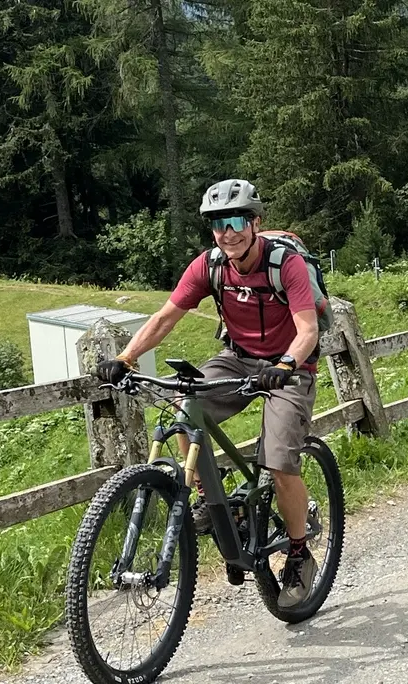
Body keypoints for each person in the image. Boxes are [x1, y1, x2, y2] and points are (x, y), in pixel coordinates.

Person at [95, 179, 321, 608]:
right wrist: (125, 358)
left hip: (289, 366)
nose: (228, 232)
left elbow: (308, 329)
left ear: (255, 222)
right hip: (237, 359)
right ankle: (210, 500)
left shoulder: (284, 264)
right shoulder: (210, 265)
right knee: (185, 408)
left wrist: (285, 366)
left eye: (236, 220)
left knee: (277, 458)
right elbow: (166, 317)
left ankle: (297, 553)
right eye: (218, 224)